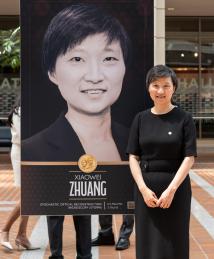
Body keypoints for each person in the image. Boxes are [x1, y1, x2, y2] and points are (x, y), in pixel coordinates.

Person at [22, 4, 133, 259]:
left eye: (109, 58)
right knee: (56, 214)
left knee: (85, 215)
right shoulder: (34, 148)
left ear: (124, 67)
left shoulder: (131, 140)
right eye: (77, 59)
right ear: (52, 72)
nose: (95, 76)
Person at [126, 64, 197, 259]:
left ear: (174, 88)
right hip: (146, 190)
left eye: (166, 85)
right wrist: (142, 189)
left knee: (175, 239)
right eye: (155, 85)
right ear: (148, 88)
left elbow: (189, 158)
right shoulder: (140, 119)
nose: (160, 91)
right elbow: (133, 156)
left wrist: (171, 190)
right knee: (147, 241)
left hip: (176, 188)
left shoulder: (184, 119)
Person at [0, 96, 39, 251]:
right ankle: (5, 230)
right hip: (22, 154)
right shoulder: (20, 112)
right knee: (29, 197)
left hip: (32, 154)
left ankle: (22, 234)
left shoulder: (32, 111)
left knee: (31, 197)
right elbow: (26, 136)